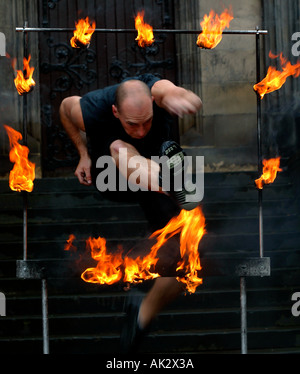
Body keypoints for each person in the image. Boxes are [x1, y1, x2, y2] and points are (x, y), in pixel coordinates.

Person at [59, 74, 202, 352]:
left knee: (182, 263)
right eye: (132, 124)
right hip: (112, 175)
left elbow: (168, 90)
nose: (141, 130)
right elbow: (66, 106)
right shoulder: (94, 108)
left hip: (154, 178)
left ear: (152, 103)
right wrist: (83, 153)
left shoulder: (156, 93)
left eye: (147, 122)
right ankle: (170, 183)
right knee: (120, 146)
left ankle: (140, 316)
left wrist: (179, 94)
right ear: (115, 112)